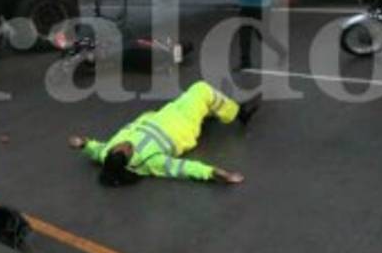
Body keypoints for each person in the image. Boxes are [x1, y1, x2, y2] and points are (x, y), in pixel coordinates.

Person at [68, 80, 257, 187]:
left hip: (165, 115)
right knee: (201, 90)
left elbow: (96, 149)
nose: (126, 144)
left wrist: (83, 143)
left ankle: (212, 111)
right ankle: (239, 113)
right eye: (128, 150)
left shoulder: (107, 153)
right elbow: (182, 168)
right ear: (129, 160)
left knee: (197, 100)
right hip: (183, 125)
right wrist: (216, 173)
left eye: (119, 146)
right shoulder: (150, 162)